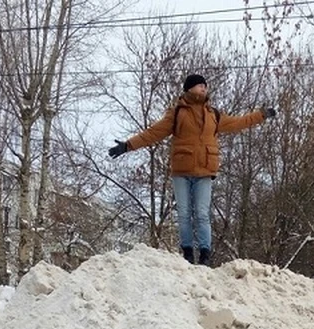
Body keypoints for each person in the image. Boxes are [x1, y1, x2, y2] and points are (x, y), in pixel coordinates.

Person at [108, 73, 275, 266]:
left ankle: (205, 254)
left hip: (205, 171)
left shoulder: (214, 115)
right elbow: (153, 133)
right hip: (182, 171)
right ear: (189, 88)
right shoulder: (177, 113)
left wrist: (261, 115)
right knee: (184, 213)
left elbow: (239, 122)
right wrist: (127, 145)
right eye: (199, 85)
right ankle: (187, 253)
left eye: (205, 85)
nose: (204, 88)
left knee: (202, 213)